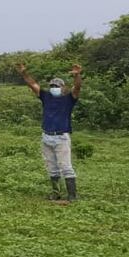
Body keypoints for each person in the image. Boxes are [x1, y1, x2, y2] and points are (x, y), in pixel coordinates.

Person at [19, 62, 83, 202]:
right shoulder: (45, 96)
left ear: (63, 88)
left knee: (66, 167)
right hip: (46, 136)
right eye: (52, 86)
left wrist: (77, 75)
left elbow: (77, 87)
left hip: (61, 137)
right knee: (52, 168)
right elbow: (32, 84)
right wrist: (24, 73)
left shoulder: (69, 99)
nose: (54, 88)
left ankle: (72, 195)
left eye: (57, 86)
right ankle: (56, 193)